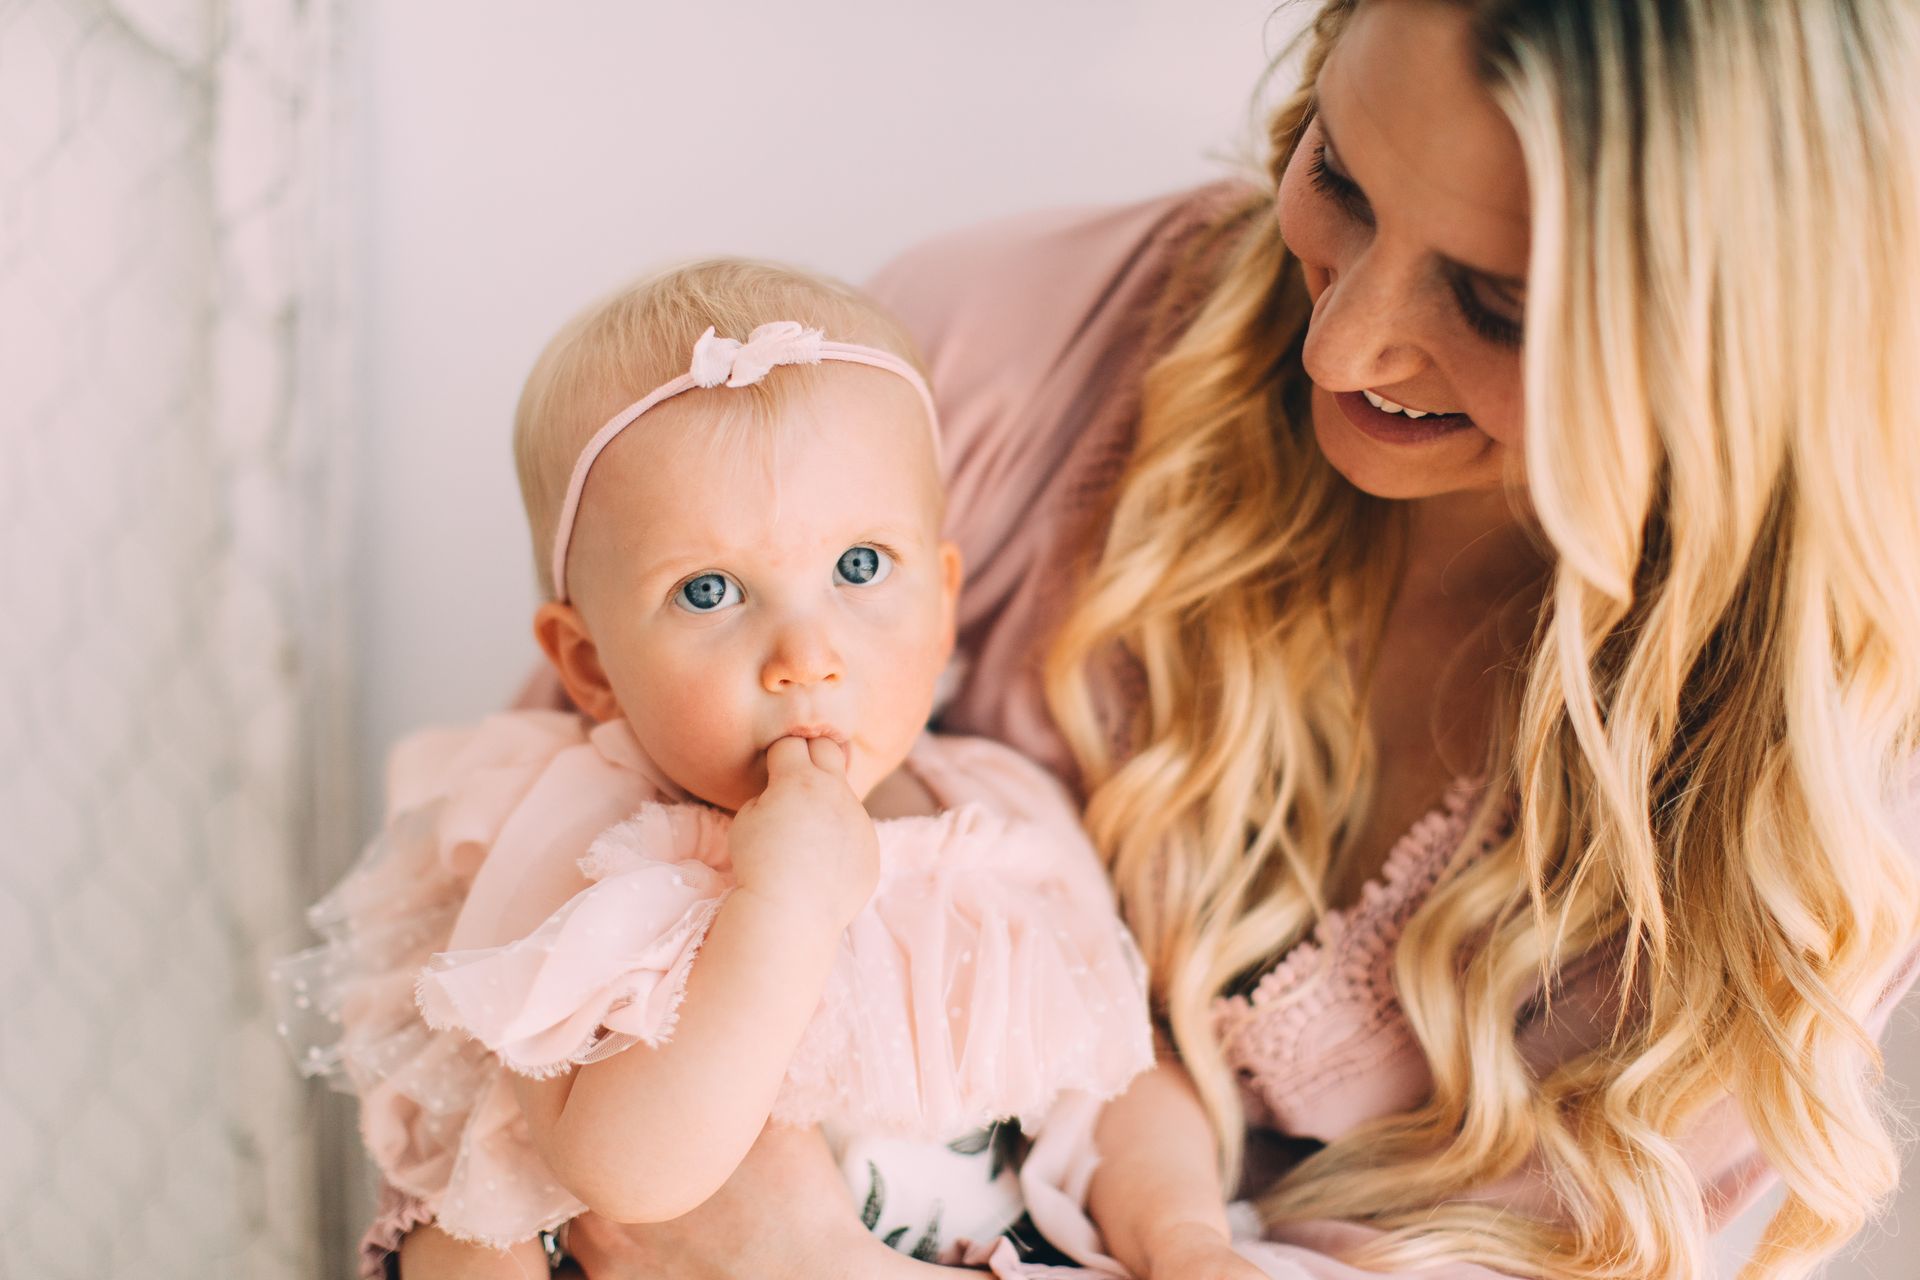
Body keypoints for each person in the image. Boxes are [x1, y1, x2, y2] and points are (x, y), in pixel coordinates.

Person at [476, 1, 1920, 1277]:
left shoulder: (1816, 796)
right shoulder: (960, 363)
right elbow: (517, 931)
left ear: (1736, 349)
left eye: (1494, 304)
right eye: (1339, 182)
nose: (1342, 347)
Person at [275, 259, 1162, 1278]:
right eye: (709, 590)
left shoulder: (1001, 818)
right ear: (589, 663)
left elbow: (1125, 1077)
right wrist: (782, 905)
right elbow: (632, 1174)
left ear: (945, 596)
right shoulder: (591, 844)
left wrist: (1185, 1230)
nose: (806, 655)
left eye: (860, 566)